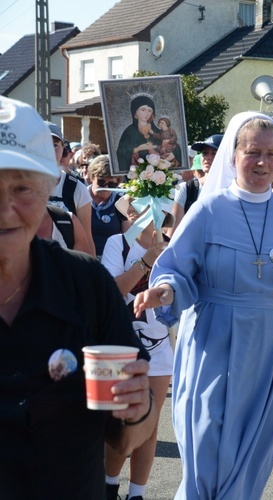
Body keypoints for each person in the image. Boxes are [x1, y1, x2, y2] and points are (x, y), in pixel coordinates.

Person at [133, 111, 273, 499]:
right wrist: (165, 292)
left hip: (271, 344)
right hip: (213, 339)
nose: (262, 162)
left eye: (271, 153)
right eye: (253, 152)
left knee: (254, 448)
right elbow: (175, 270)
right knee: (205, 438)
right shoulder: (208, 210)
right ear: (234, 155)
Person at [0, 95, 155, 498]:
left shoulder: (86, 286)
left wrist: (136, 411)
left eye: (21, 187)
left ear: (50, 187)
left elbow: (122, 439)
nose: (4, 209)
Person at [101, 196, 171, 500]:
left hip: (159, 345)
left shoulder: (174, 244)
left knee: (150, 426)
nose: (147, 213)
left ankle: (137, 494)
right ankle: (109, 484)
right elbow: (112, 291)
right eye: (139, 207)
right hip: (121, 345)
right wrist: (146, 262)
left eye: (156, 206)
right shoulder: (118, 244)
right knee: (120, 423)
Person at [46, 122, 97, 256]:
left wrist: (92, 273)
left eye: (54, 145)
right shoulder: (18, 185)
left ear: (63, 149)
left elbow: (86, 239)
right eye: (43, 144)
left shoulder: (76, 188)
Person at [168, 134, 222, 237]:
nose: (207, 157)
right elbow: (174, 234)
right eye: (204, 153)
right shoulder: (187, 189)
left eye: (214, 153)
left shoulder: (234, 190)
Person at [116, 93, 181, 173]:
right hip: (137, 176)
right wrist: (138, 148)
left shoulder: (158, 132)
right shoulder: (129, 132)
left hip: (159, 176)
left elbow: (175, 148)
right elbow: (122, 153)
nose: (146, 114)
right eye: (143, 110)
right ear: (135, 112)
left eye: (149, 110)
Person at [88, 155, 127, 258]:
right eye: (101, 182)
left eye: (112, 184)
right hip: (84, 259)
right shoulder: (80, 197)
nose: (106, 187)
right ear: (92, 177)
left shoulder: (120, 202)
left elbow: (127, 239)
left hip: (111, 260)